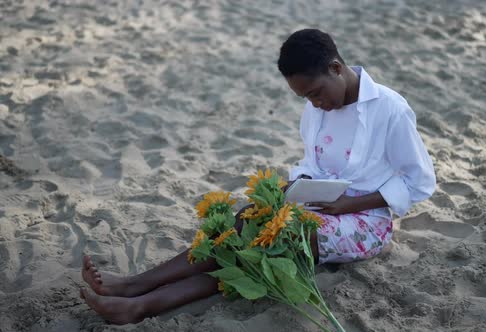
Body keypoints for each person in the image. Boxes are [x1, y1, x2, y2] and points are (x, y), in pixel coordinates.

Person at [79, 28, 436, 324]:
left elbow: (418, 182)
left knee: (265, 246)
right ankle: (134, 286)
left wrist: (350, 204)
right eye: (305, 98)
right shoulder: (316, 110)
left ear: (336, 68)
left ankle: (142, 304)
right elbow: (311, 164)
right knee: (242, 222)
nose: (314, 104)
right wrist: (295, 187)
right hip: (318, 204)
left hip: (364, 221)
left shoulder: (390, 109)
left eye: (315, 93)